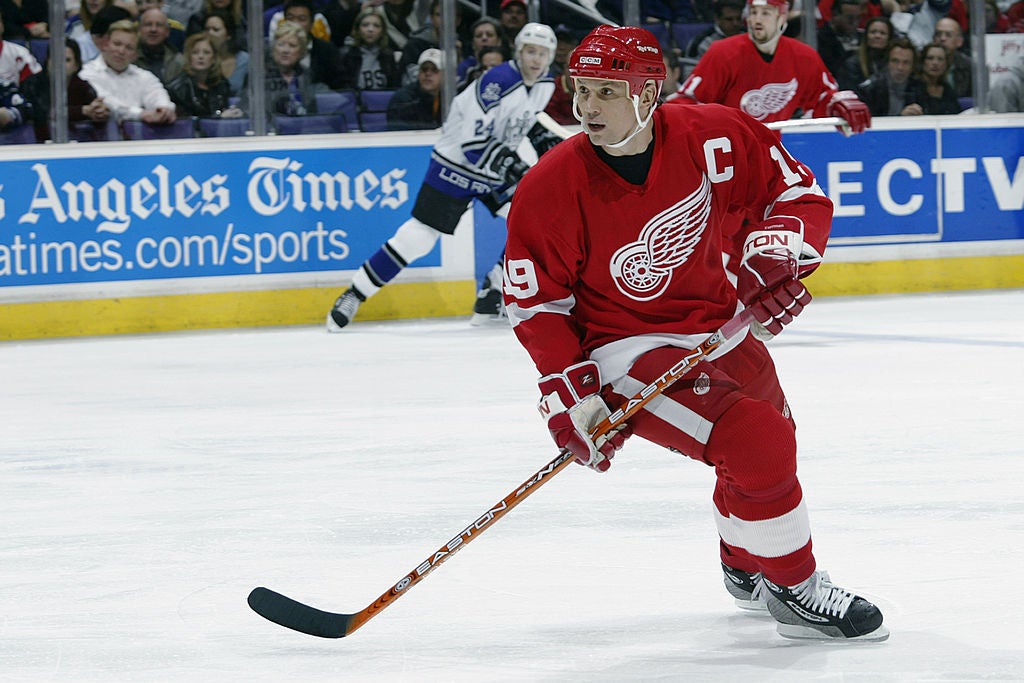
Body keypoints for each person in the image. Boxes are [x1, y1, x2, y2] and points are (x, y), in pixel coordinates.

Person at [502, 24, 888, 643]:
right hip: (625, 349)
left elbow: (796, 190)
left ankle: (744, 562)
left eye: (607, 91)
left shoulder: (715, 134)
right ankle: (794, 588)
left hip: (720, 323)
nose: (586, 108)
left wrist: (776, 250)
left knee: (767, 449)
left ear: (649, 92)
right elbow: (537, 304)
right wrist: (570, 391)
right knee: (755, 439)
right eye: (582, 90)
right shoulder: (551, 185)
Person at [325, 22, 558, 331]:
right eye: (531, 51)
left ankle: (492, 293)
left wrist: (544, 139)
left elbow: (520, 120)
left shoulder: (545, 84)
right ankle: (354, 293)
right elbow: (473, 144)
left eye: (543, 53)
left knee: (537, 220)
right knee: (418, 237)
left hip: (493, 167)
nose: (536, 60)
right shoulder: (498, 80)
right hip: (456, 166)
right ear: (518, 51)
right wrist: (516, 167)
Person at [673, 0, 871, 137]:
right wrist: (669, 119)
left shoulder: (803, 57)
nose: (757, 20)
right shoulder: (723, 53)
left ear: (782, 18)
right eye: (753, 12)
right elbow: (690, 100)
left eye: (766, 13)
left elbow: (821, 97)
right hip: (726, 151)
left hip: (770, 152)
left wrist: (837, 105)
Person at [79, 18, 177, 124]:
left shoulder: (144, 76)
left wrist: (163, 111)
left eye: (129, 48)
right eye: (117, 44)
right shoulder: (86, 73)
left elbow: (158, 96)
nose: (121, 51)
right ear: (105, 44)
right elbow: (109, 104)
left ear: (135, 55)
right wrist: (141, 115)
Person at [240, 20, 318, 123]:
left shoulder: (306, 75)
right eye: (281, 44)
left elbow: (312, 111)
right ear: (273, 48)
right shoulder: (258, 76)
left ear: (301, 52)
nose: (285, 50)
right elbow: (246, 108)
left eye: (292, 45)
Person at [166, 31, 242, 117]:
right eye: (195, 52)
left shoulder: (221, 84)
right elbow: (187, 123)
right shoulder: (178, 89)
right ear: (189, 57)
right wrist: (219, 117)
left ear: (214, 58)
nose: (201, 57)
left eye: (206, 52)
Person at [276, 0, 345, 90]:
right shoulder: (275, 50)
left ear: (312, 23)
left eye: (302, 19)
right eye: (290, 18)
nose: (295, 23)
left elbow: (341, 87)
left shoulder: (327, 51)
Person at [338, 7, 402, 91]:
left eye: (376, 26)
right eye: (365, 25)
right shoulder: (346, 55)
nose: (370, 29)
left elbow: (394, 87)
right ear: (357, 29)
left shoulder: (388, 55)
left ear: (382, 31)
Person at [854, 37, 920, 116]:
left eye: (906, 62)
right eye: (895, 61)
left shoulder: (918, 87)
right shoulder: (870, 89)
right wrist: (901, 118)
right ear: (887, 63)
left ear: (913, 66)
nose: (900, 68)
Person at [683, 0, 746, 77]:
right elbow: (690, 75)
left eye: (738, 19)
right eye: (729, 19)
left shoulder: (750, 37)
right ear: (717, 19)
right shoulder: (701, 43)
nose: (735, 23)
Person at [386, 46, 442, 129]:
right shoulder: (402, 99)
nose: (428, 74)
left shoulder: (450, 97)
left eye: (434, 70)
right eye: (424, 69)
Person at [902, 41, 961, 114]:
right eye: (930, 58)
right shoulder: (911, 86)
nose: (935, 63)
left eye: (940, 59)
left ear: (946, 64)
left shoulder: (948, 89)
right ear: (922, 62)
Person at [838, 15, 892, 91]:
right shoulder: (852, 64)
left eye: (882, 33)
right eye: (873, 32)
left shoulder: (894, 63)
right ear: (866, 36)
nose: (877, 36)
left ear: (889, 38)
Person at [817, 0, 865, 80]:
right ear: (835, 15)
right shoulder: (820, 40)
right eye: (850, 18)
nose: (855, 22)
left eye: (858, 17)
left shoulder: (863, 38)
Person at [135, 8, 185, 84]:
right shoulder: (129, 57)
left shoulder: (179, 62)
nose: (153, 29)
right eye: (148, 24)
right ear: (139, 30)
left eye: (159, 25)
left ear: (167, 32)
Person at [203, 9, 247, 96]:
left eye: (215, 30)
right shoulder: (201, 59)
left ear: (228, 35)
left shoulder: (245, 60)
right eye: (207, 29)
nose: (210, 33)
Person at [931, 17, 972, 98]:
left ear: (959, 41)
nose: (942, 38)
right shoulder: (922, 64)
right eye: (938, 34)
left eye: (948, 35)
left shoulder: (970, 67)